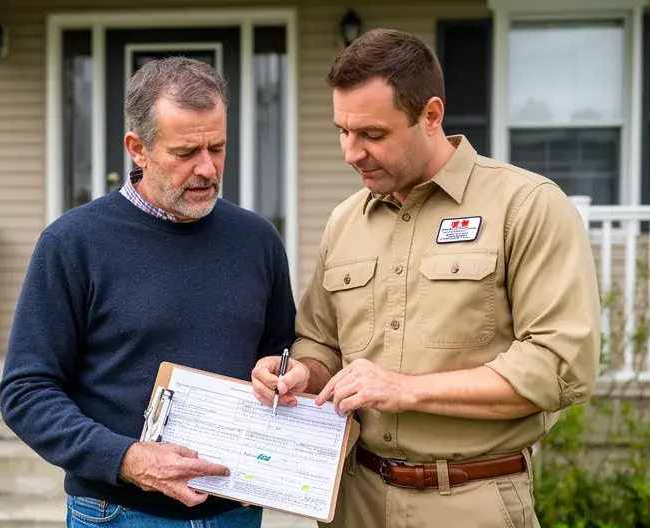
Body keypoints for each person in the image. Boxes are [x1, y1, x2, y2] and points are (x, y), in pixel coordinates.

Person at [251, 28, 601, 527]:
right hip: (354, 498)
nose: (351, 152)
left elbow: (561, 366)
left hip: (470, 498)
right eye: (342, 131)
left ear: (431, 115)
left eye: (372, 135)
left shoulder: (526, 206)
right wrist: (303, 374)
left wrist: (405, 388)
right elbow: (322, 342)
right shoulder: (345, 221)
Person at [0, 56, 296, 528]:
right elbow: (26, 391)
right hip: (119, 512)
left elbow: (282, 352)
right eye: (185, 152)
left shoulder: (257, 239)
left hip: (236, 512)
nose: (207, 168)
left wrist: (283, 372)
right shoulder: (73, 243)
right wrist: (128, 458)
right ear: (138, 148)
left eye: (217, 147)